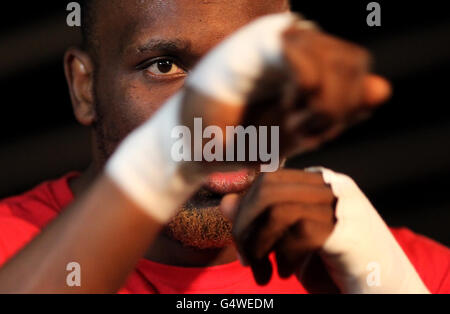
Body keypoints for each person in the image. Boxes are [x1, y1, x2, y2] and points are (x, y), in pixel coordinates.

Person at [0, 0, 448, 294]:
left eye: (259, 66)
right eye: (164, 65)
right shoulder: (13, 252)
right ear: (84, 87)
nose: (226, 122)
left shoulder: (412, 268)